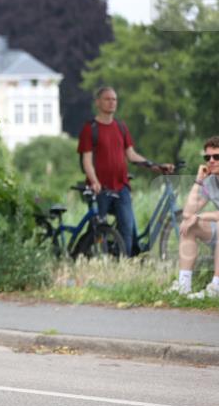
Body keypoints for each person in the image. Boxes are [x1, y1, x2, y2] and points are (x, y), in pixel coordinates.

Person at [77, 86, 174, 256]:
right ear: (98, 102)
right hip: (100, 188)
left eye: (114, 99)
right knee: (98, 230)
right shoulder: (90, 128)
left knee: (127, 229)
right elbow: (87, 160)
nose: (112, 102)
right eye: (107, 99)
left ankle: (125, 264)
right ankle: (88, 257)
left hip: (121, 186)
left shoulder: (121, 127)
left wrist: (157, 166)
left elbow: (131, 155)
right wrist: (94, 181)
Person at [169, 136, 219, 298]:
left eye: (216, 157)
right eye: (207, 157)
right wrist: (198, 181)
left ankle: (216, 287)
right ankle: (184, 285)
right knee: (188, 226)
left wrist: (200, 216)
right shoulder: (211, 181)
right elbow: (188, 213)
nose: (211, 161)